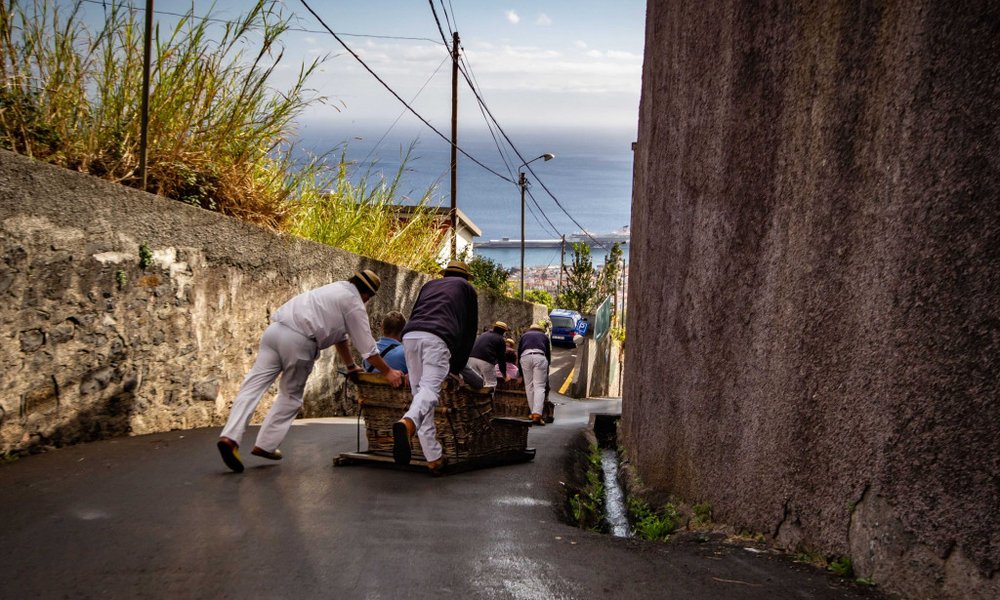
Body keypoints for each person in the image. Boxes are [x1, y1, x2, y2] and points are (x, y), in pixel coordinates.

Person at [217, 270, 405, 473]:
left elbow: (340, 336)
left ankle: (230, 437)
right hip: (299, 341)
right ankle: (266, 445)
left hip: (274, 331)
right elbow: (368, 350)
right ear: (367, 295)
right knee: (290, 396)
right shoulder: (355, 304)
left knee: (252, 387)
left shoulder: (334, 289)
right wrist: (388, 372)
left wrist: (351, 366)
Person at [393, 260, 478, 474]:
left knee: (419, 395)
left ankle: (433, 457)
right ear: (466, 277)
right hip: (438, 337)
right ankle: (408, 423)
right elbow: (469, 331)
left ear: (445, 274)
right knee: (430, 390)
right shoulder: (467, 289)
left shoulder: (429, 285)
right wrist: (457, 367)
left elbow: (414, 312)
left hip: (411, 335)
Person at [518, 322, 551, 426]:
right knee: (539, 387)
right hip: (539, 357)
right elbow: (548, 354)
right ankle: (537, 414)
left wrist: (520, 374)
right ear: (540, 330)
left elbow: (518, 353)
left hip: (525, 357)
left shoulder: (524, 336)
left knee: (529, 386)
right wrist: (547, 367)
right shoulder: (544, 336)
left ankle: (533, 413)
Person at [466, 321, 511, 388]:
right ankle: (488, 398)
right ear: (504, 331)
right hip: (486, 361)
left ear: (494, 327)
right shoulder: (500, 339)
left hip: (471, 358)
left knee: (475, 382)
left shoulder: (484, 334)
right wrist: (504, 375)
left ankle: (475, 397)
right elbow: (501, 359)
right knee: (491, 383)